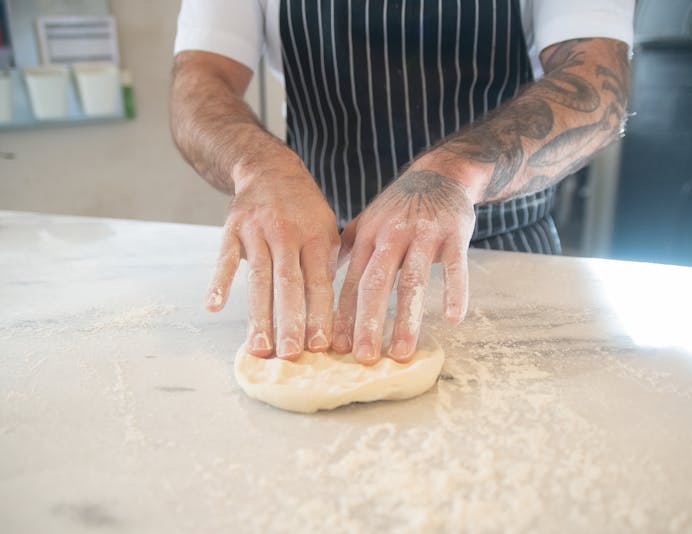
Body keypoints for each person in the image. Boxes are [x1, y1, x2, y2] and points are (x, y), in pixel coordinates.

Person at [171, 0, 633, 365]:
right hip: (323, 266)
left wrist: (454, 173)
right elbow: (199, 81)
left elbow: (597, 84)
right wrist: (257, 165)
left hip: (505, 257)